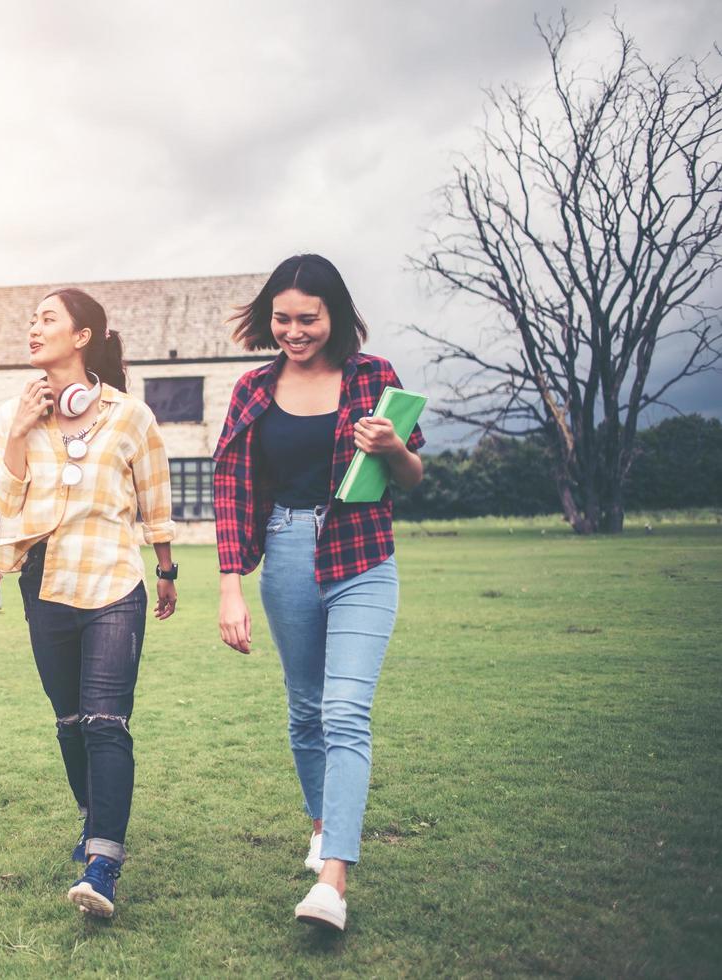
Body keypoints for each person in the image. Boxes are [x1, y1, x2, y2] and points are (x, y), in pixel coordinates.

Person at [212, 254, 425, 931]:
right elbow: (229, 487)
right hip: (285, 553)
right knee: (304, 711)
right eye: (282, 318)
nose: (294, 331)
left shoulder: (373, 377)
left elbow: (412, 477)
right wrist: (229, 587)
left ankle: (332, 880)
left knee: (343, 711)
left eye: (308, 318)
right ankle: (320, 825)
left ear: (334, 315)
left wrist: (392, 446)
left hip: (361, 555)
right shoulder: (251, 388)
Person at [0, 287, 177, 919]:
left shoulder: (130, 416)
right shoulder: (15, 411)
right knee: (69, 721)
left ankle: (103, 865)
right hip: (45, 583)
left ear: (82, 335)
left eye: (47, 319)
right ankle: (94, 817)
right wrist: (20, 431)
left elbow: (156, 499)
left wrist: (167, 569)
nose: (34, 328)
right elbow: (2, 500)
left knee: (105, 721)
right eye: (31, 320)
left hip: (115, 581)